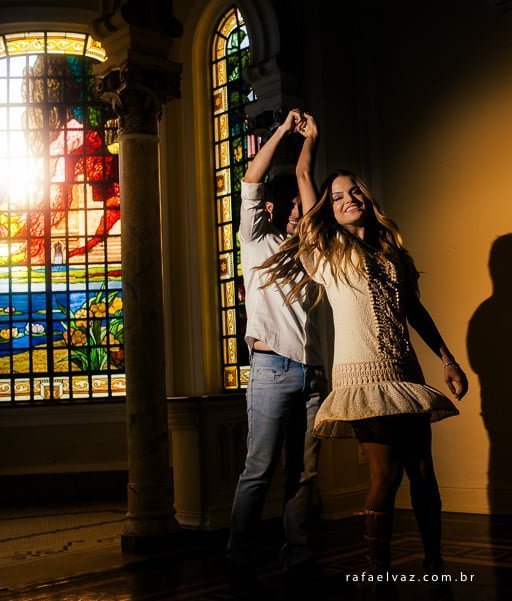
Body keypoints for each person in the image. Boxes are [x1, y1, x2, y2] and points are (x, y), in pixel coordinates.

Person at [263, 114, 468, 595]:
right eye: (337, 197)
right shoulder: (325, 252)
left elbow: (415, 311)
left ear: (367, 199)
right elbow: (302, 181)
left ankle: (436, 564)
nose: (348, 200)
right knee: (387, 472)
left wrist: (448, 359)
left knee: (423, 474)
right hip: (361, 379)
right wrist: (310, 142)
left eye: (354, 192)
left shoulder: (393, 253)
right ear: (328, 211)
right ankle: (377, 572)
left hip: (406, 374)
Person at [227, 109, 332, 596]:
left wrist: (310, 145)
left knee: (305, 474)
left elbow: (310, 192)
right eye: (287, 202)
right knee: (259, 470)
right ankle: (239, 561)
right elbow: (251, 177)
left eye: (299, 204)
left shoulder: (314, 249)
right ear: (271, 208)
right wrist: (285, 132)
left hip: (312, 373)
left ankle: (300, 560)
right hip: (270, 369)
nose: (295, 209)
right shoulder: (256, 240)